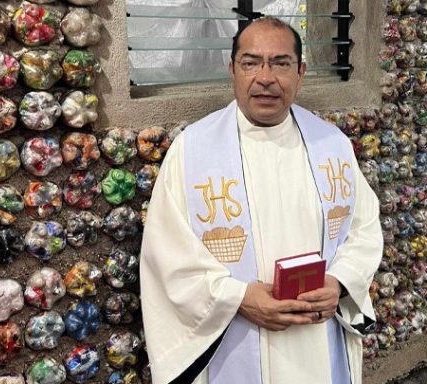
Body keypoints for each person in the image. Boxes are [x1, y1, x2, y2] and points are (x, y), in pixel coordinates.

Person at [140, 17, 383, 384]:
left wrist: (339, 282)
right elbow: (166, 255)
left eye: (281, 63)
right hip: (235, 339)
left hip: (317, 341)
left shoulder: (331, 145)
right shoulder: (192, 151)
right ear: (232, 70)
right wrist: (237, 298)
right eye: (251, 62)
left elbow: (364, 228)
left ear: (300, 72)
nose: (265, 77)